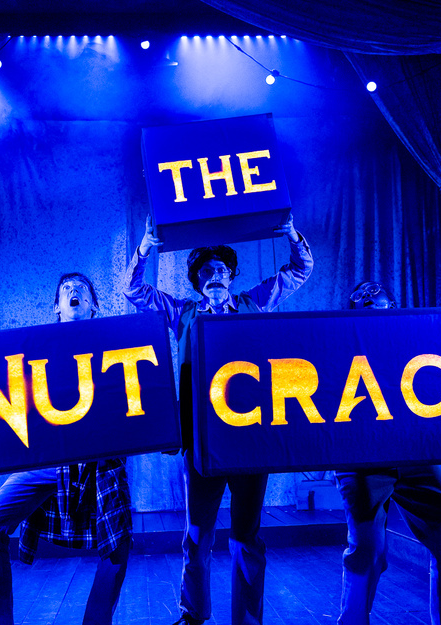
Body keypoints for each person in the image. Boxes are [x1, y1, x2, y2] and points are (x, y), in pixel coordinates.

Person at [125, 214, 313, 625]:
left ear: (231, 276)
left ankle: (247, 621)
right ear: (196, 279)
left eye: (223, 270)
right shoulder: (183, 312)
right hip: (202, 444)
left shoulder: (253, 303)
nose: (216, 276)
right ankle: (193, 615)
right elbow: (134, 290)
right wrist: (146, 247)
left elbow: (300, 270)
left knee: (246, 536)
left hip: (250, 442)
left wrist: (290, 234)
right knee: (197, 536)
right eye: (207, 271)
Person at [0, 273, 132, 625]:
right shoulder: (34, 349)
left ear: (94, 305)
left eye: (82, 289)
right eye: (66, 290)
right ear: (56, 307)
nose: (74, 292)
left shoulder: (115, 343)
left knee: (118, 543)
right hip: (48, 461)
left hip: (98, 461)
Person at [333, 280, 441, 625]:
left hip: (410, 455)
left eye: (383, 309)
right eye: (368, 311)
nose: (378, 316)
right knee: (367, 549)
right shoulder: (339, 346)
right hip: (361, 460)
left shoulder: (412, 342)